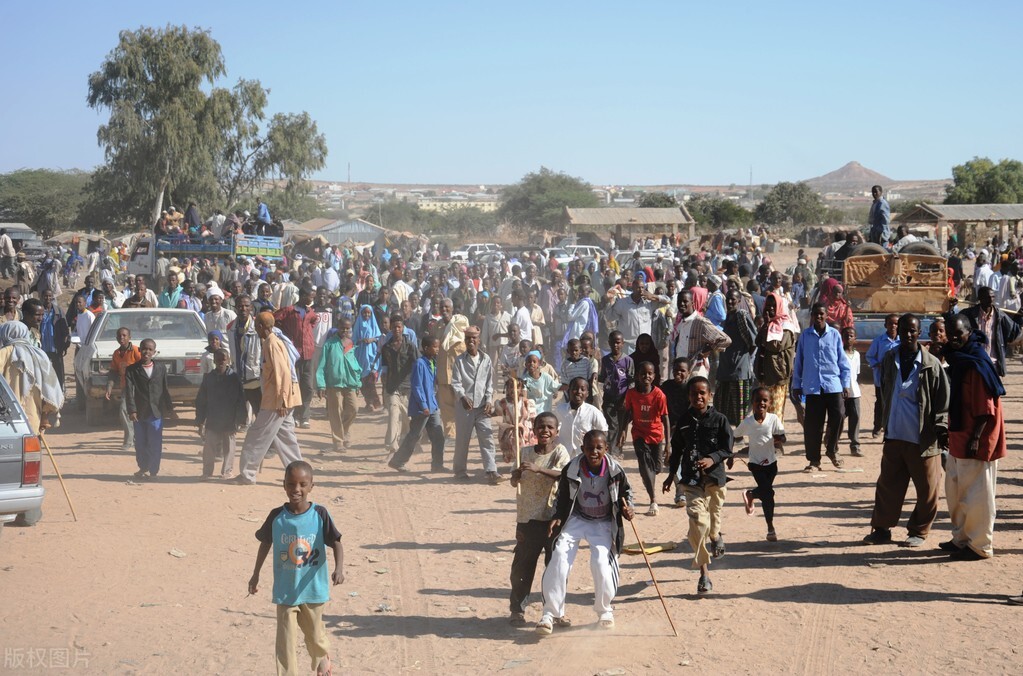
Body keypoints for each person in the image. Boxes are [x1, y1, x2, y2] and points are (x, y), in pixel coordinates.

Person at [249, 461, 344, 676]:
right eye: (291, 484)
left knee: (315, 635)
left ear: (311, 486)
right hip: (286, 591)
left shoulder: (320, 514)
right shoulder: (276, 517)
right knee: (285, 642)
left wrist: (339, 569)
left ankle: (321, 656)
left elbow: (336, 542)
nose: (296, 489)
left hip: (313, 589)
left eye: (302, 484)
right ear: (284, 485)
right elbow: (265, 543)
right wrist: (255, 575)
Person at [863, 314, 949, 547]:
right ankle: (881, 529)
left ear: (919, 332)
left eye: (912, 330)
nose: (908, 334)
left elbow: (942, 401)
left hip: (922, 439)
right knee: (887, 487)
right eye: (904, 330)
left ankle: (919, 531)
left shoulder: (931, 364)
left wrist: (942, 429)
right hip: (894, 435)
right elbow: (885, 390)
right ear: (897, 331)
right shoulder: (890, 358)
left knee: (928, 489)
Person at [536, 430, 635, 634]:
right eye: (590, 448)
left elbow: (626, 493)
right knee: (559, 556)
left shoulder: (615, 470)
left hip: (603, 522)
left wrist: (629, 509)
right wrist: (557, 515)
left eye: (599, 448)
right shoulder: (572, 468)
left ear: (606, 449)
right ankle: (549, 614)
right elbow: (562, 495)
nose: (594, 452)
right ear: (583, 449)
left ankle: (605, 611)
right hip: (577, 518)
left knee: (601, 562)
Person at [942, 315, 1005, 560]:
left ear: (969, 332)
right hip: (959, 434)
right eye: (950, 333)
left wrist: (976, 438)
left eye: (958, 333)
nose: (953, 338)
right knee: (956, 491)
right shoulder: (959, 358)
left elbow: (986, 409)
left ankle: (979, 545)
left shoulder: (977, 362)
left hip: (975, 439)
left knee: (977, 495)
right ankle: (961, 538)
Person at [664, 376, 733, 594]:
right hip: (692, 481)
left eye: (702, 393)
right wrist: (670, 476)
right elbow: (676, 451)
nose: (698, 397)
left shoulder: (720, 420)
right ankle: (704, 574)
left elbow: (727, 448)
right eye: (694, 393)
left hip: (715, 481)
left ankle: (716, 536)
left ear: (710, 395)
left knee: (713, 521)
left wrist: (712, 459)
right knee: (698, 523)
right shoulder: (684, 421)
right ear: (689, 396)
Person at [507, 412, 571, 626]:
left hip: (552, 518)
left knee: (555, 567)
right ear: (533, 430)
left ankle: (555, 611)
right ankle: (517, 610)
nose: (545, 431)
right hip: (527, 518)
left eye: (550, 427)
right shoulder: (524, 452)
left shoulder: (560, 452)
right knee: (522, 567)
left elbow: (563, 475)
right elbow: (514, 480)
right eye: (541, 426)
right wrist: (516, 476)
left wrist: (538, 469)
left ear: (556, 431)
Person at [235, 312, 304, 485]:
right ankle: (300, 474)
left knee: (257, 435)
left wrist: (282, 401)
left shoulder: (272, 344)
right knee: (286, 438)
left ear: (260, 326)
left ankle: (247, 475)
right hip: (282, 398)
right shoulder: (270, 342)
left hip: (277, 401)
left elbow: (283, 374)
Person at [792, 303, 852, 472]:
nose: (818, 317)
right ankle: (814, 460)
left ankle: (832, 449)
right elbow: (799, 362)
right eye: (815, 314)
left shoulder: (834, 335)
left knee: (839, 416)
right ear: (811, 315)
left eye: (821, 314)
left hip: (833, 384)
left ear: (826, 316)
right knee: (813, 425)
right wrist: (797, 384)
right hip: (813, 387)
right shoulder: (805, 336)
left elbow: (842, 361)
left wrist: (845, 384)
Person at [388, 335, 447, 473]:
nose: (437, 349)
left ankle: (437, 465)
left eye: (438, 347)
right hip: (422, 407)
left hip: (432, 405)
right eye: (434, 347)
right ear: (426, 348)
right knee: (414, 435)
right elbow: (417, 386)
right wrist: (423, 405)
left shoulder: (432, 362)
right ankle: (397, 461)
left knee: (438, 436)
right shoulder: (419, 364)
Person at [734, 387, 785, 542]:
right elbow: (735, 435)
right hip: (756, 464)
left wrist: (779, 439)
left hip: (771, 464)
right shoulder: (748, 422)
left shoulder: (773, 419)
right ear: (752, 402)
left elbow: (783, 437)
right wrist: (729, 454)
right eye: (758, 400)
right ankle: (770, 528)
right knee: (768, 494)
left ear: (769, 403)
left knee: (766, 492)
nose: (761, 403)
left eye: (764, 400)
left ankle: (751, 494)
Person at [450, 326, 501, 483]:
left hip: (482, 407)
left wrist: (489, 400)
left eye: (474, 338)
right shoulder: (459, 361)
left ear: (479, 340)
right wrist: (462, 397)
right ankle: (459, 471)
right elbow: (456, 382)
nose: (471, 341)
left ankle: (491, 471)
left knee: (487, 438)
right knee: (462, 440)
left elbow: (489, 383)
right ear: (465, 341)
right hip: (465, 407)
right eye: (468, 338)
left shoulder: (486, 359)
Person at [619, 361, 669, 516]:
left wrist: (668, 443)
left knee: (656, 469)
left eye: (649, 373)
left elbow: (665, 418)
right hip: (639, 434)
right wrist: (622, 431)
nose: (646, 376)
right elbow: (628, 413)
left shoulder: (659, 395)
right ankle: (653, 500)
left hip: (656, 435)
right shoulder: (631, 394)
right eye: (643, 373)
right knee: (645, 464)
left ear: (654, 376)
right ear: (637, 376)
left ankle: (646, 475)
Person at [124, 338, 173, 481]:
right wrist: (132, 410)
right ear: (139, 350)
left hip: (156, 412)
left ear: (154, 352)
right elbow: (129, 392)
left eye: (150, 349)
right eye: (144, 349)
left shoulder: (161, 368)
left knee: (155, 442)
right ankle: (143, 467)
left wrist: (169, 408)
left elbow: (165, 388)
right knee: (140, 442)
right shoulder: (132, 370)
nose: (147, 352)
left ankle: (153, 471)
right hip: (139, 413)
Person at [195, 348, 247, 480]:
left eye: (224, 359)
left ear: (228, 360)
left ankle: (227, 471)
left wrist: (241, 418)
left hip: (230, 418)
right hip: (213, 418)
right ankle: (207, 472)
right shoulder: (208, 378)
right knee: (209, 447)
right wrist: (200, 420)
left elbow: (240, 399)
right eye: (218, 359)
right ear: (214, 360)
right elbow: (201, 400)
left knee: (229, 447)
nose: (221, 361)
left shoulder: (234, 378)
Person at [274, 288, 320, 427]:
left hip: (308, 353)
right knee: (295, 385)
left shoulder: (310, 312)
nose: (312, 300)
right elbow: (275, 319)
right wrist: (285, 335)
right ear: (303, 295)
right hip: (294, 354)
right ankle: (294, 415)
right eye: (310, 297)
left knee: (308, 386)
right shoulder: (289, 310)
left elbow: (313, 322)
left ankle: (304, 416)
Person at [316, 318, 362, 453]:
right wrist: (321, 385)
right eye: (343, 328)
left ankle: (345, 430)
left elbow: (354, 364)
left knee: (354, 408)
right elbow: (321, 366)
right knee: (336, 412)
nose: (345, 331)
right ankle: (338, 442)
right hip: (334, 383)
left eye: (348, 328)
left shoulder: (350, 344)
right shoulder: (329, 344)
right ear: (338, 327)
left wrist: (358, 382)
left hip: (350, 383)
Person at [715, 289, 757, 426]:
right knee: (721, 407)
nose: (730, 302)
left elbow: (753, 342)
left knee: (740, 410)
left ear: (739, 301)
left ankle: (739, 435)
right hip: (724, 369)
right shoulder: (727, 318)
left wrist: (742, 357)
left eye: (733, 299)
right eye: (728, 299)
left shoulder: (742, 316)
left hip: (739, 371)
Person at [960, 286, 1023, 377]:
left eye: (993, 297)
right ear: (980, 298)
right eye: (987, 297)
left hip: (994, 364)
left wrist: (1019, 317)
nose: (990, 300)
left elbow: (1014, 332)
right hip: (975, 363)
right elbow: (954, 323)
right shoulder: (969, 314)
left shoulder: (1000, 316)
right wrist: (951, 308)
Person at [754, 292, 797, 419]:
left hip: (777, 376)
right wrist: (765, 325)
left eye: (774, 306)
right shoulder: (768, 324)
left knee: (775, 416)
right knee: (763, 415)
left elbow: (775, 346)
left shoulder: (786, 326)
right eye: (768, 305)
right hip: (764, 375)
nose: (771, 308)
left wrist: (767, 325)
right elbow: (758, 342)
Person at [380, 315, 418, 457]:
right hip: (392, 388)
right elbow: (384, 366)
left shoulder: (410, 346)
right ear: (390, 328)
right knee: (393, 414)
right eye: (394, 326)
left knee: (408, 419)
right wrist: (384, 383)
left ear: (403, 328)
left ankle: (407, 442)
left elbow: (418, 364)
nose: (396, 329)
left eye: (399, 326)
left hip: (408, 388)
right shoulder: (386, 347)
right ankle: (392, 447)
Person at [604, 276, 670, 353]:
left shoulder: (649, 303)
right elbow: (609, 317)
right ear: (633, 288)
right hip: (629, 346)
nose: (641, 290)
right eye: (638, 288)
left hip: (645, 346)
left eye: (642, 288)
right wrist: (609, 301)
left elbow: (668, 301)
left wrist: (652, 296)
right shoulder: (622, 303)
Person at [105, 327, 141, 451]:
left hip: (138, 386)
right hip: (126, 387)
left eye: (124, 335)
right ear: (116, 338)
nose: (122, 338)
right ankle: (130, 439)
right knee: (124, 411)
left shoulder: (135, 351)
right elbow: (113, 371)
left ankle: (133, 440)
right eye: (119, 336)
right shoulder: (116, 353)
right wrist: (109, 387)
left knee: (135, 412)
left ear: (129, 337)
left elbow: (144, 365)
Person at [598, 331, 633, 457]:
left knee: (622, 424)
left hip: (623, 397)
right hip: (609, 396)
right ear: (609, 343)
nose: (615, 345)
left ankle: (619, 448)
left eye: (618, 343)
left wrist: (626, 397)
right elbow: (603, 377)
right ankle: (612, 451)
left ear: (622, 343)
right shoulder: (605, 360)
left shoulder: (628, 360)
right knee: (611, 424)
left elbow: (631, 381)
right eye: (613, 343)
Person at [865, 314, 900, 437]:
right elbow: (869, 356)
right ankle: (877, 426)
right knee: (880, 402)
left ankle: (892, 427)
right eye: (890, 323)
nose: (893, 326)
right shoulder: (878, 341)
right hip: (882, 379)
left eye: (896, 323)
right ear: (885, 325)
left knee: (896, 402)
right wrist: (877, 364)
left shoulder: (902, 341)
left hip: (897, 378)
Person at [553, 377, 606, 456]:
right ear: (569, 391)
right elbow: (553, 427)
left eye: (583, 389)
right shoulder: (560, 409)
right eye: (575, 389)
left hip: (584, 454)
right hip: (564, 453)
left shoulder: (593, 411)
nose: (578, 392)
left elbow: (603, 430)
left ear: (587, 393)